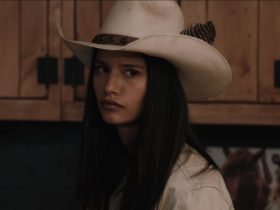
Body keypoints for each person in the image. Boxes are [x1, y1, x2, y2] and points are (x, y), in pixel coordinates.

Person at [57, 1, 234, 209]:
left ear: (162, 85)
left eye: (131, 72)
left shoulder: (193, 191)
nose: (110, 87)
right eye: (102, 69)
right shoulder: (123, 171)